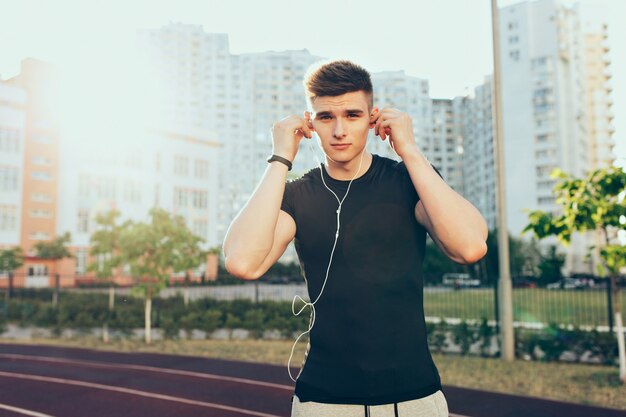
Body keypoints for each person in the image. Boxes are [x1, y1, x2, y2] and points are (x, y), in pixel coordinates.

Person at [223, 60, 488, 417]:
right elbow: (243, 262)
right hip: (324, 401)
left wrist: (409, 149)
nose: (339, 130)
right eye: (326, 117)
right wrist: (280, 157)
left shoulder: (408, 181)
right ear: (310, 123)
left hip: (413, 398)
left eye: (352, 115)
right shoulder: (297, 196)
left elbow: (469, 246)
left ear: (373, 118)